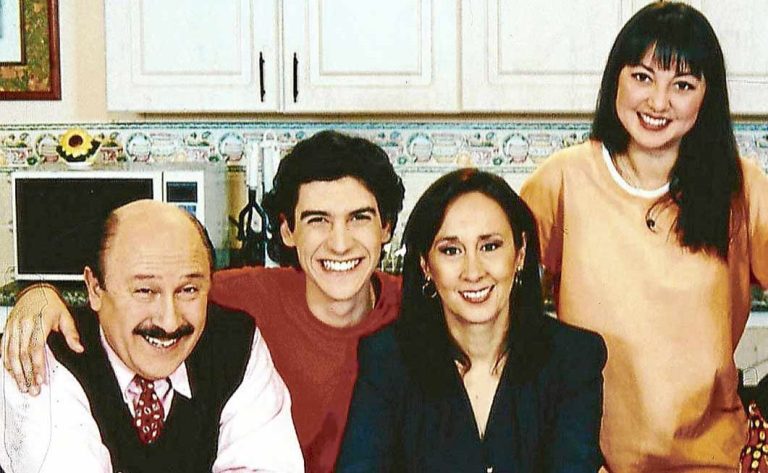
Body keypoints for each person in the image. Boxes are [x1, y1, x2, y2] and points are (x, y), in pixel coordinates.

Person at [2, 130, 405, 473]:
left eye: (359, 218)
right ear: (287, 230)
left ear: (386, 227)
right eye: (318, 219)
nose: (169, 316)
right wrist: (38, 294)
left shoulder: (417, 313)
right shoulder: (246, 296)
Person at [520, 2, 768, 471]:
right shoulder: (563, 180)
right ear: (616, 78)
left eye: (683, 85)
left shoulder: (742, 188)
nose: (658, 102)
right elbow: (494, 287)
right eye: (642, 77)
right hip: (587, 460)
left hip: (714, 460)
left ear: (708, 96)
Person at [0, 200, 303, 472]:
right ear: (95, 288)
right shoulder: (42, 353)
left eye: (188, 290)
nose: (169, 321)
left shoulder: (236, 343)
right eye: (145, 291)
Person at [336, 168, 607, 472]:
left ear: (520, 253)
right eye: (451, 251)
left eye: (490, 246)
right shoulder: (387, 360)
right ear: (426, 265)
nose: (473, 272)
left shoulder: (574, 358)